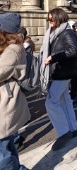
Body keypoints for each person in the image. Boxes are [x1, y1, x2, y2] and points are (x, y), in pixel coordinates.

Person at [39, 8, 77, 151]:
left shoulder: (66, 32)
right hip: (60, 72)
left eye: (52, 19)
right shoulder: (54, 33)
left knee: (51, 102)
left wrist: (53, 57)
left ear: (59, 18)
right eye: (48, 19)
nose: (49, 21)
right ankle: (74, 128)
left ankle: (64, 133)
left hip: (62, 73)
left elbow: (73, 50)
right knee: (65, 101)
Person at [0, 13, 30, 170]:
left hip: (5, 102)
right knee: (6, 147)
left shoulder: (13, 50)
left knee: (3, 155)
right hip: (4, 100)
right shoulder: (7, 48)